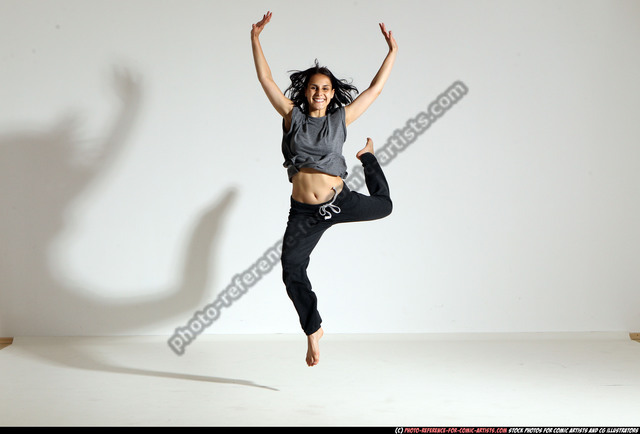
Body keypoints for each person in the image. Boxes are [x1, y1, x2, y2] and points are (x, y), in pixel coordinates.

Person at [251, 11, 398, 366]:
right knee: (291, 269)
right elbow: (267, 80)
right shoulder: (292, 117)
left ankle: (368, 158)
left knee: (385, 206)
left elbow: (375, 90)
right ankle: (313, 329)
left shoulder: (340, 119)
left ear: (333, 95)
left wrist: (391, 51)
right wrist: (255, 39)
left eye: (326, 89)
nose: (320, 93)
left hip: (339, 200)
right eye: (314, 87)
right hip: (305, 213)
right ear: (306, 91)